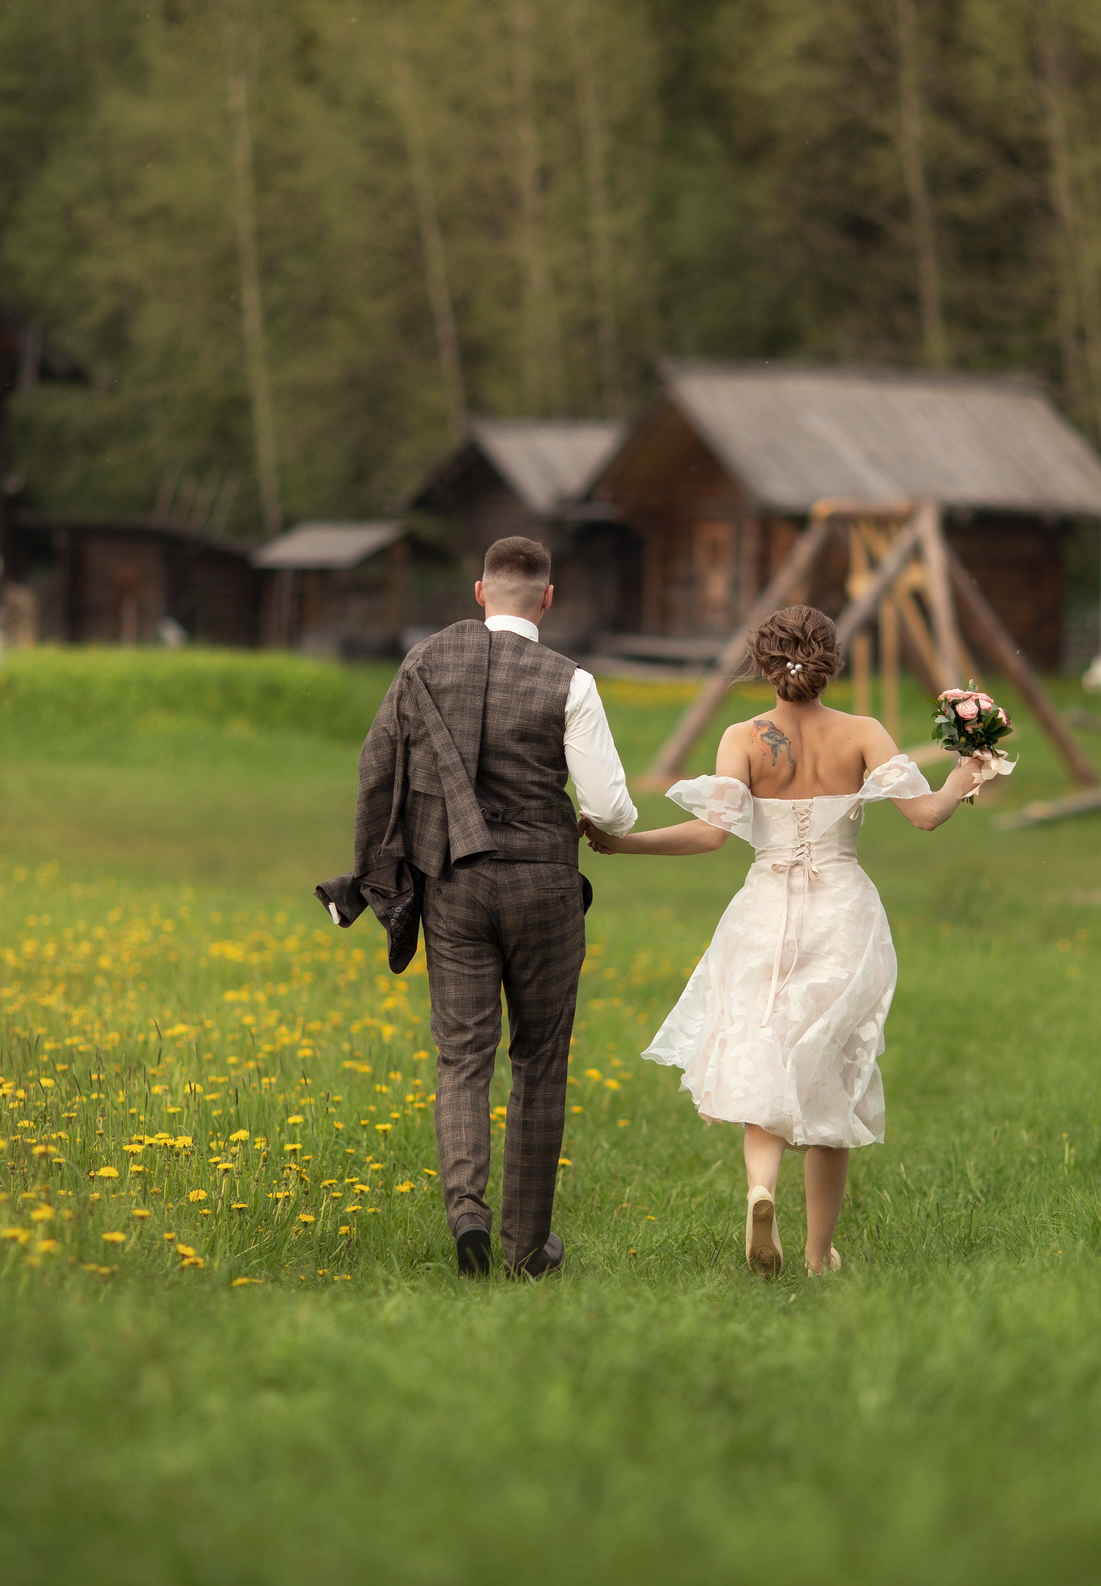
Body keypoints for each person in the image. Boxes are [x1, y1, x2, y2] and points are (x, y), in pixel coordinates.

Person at [580, 605, 995, 1276]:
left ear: (762, 664)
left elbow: (710, 835)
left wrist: (622, 844)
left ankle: (761, 1188)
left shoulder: (743, 737)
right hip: (842, 911)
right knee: (834, 1067)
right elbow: (925, 816)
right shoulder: (862, 732)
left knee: (762, 1052)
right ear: (832, 661)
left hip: (764, 912)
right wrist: (964, 774)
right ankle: (818, 1253)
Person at [331, 537, 637, 1277]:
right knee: (540, 1060)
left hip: (456, 884)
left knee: (462, 1056)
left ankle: (466, 1209)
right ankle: (527, 1247)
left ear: (479, 592)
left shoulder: (426, 662)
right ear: (548, 598)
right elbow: (608, 809)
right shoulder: (571, 681)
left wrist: (374, 871)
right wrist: (594, 823)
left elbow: (376, 766)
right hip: (544, 886)